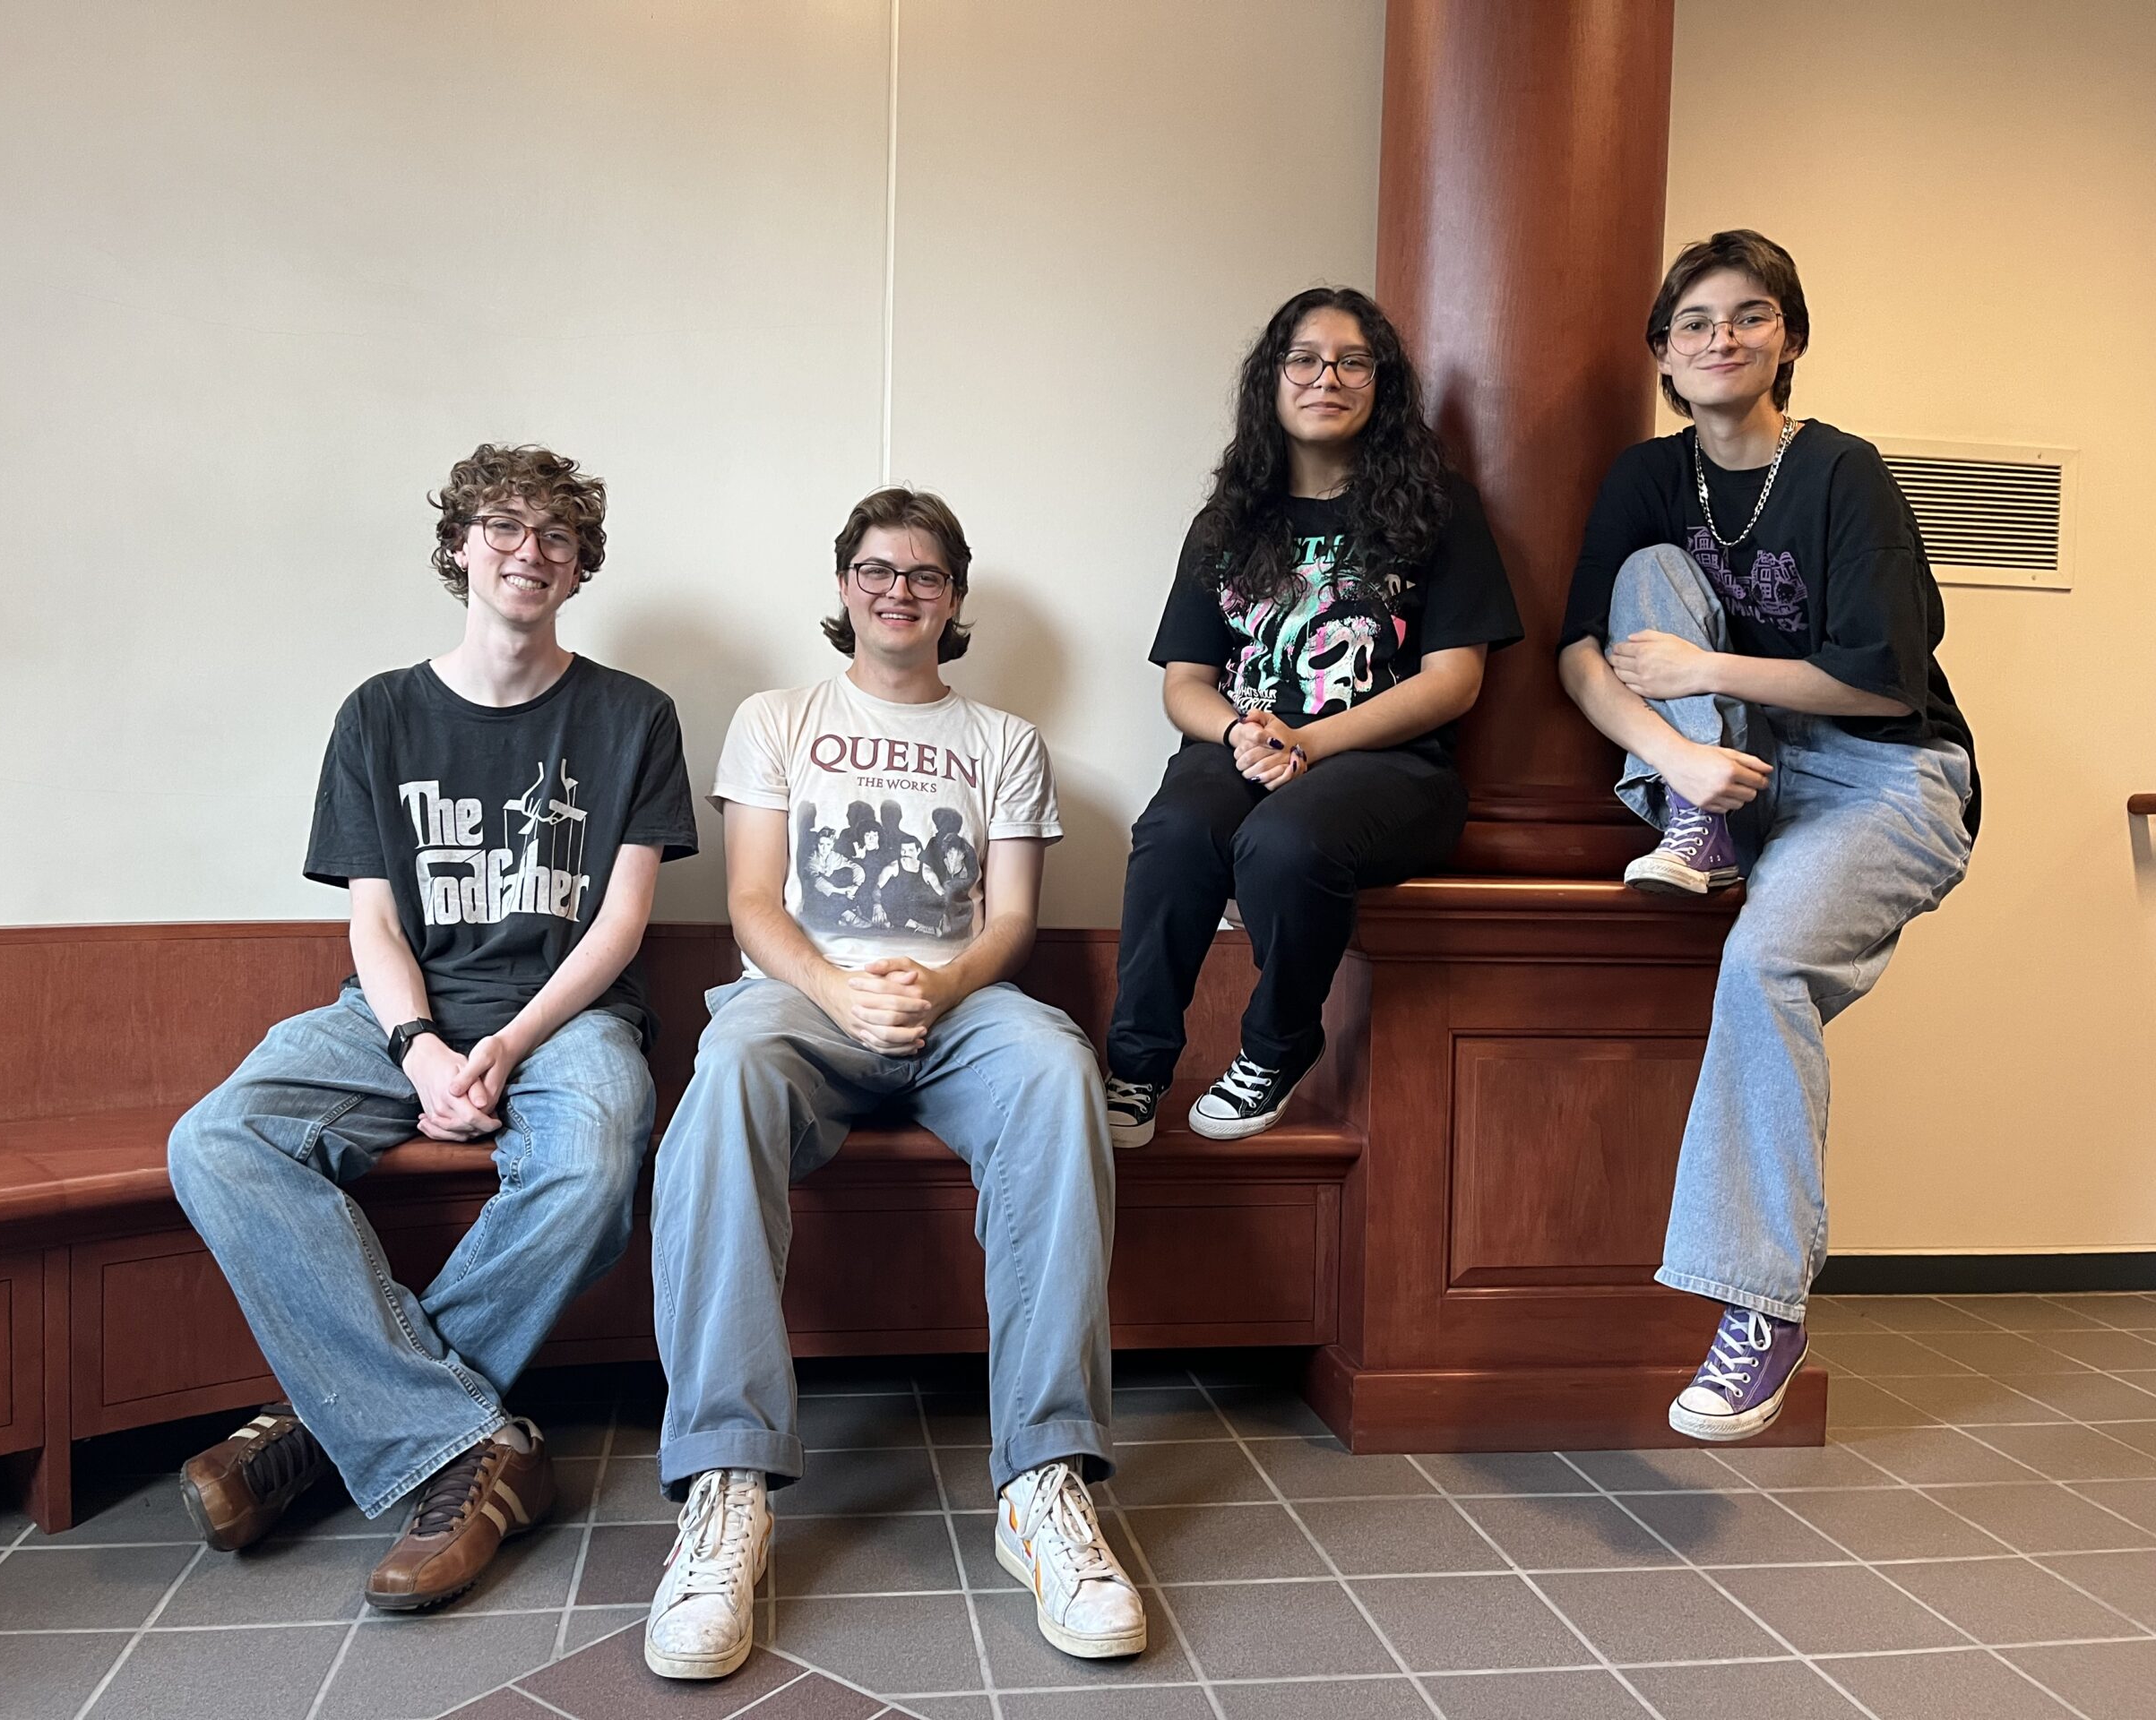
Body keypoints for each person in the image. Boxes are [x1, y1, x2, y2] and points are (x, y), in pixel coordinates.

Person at [166, 444, 697, 1605]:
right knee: (215, 1138)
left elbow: (617, 927)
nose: (530, 551)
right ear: (460, 547)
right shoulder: (378, 715)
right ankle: (472, 1443)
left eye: (556, 535)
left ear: (579, 567)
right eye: (504, 527)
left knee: (599, 1153)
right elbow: (375, 923)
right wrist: (421, 1048)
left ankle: (320, 1428)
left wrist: (506, 1046)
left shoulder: (634, 718)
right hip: (398, 1014)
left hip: (568, 1017)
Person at [642, 487, 1143, 1681]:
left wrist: (938, 984)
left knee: (1061, 1072)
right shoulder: (777, 718)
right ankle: (725, 1491)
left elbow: (1013, 918)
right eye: (877, 570)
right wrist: (839, 988)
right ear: (844, 586)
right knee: (723, 1077)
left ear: (953, 597)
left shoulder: (1003, 741)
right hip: (801, 1002)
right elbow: (754, 904)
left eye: (924, 574)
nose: (898, 590)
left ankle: (1046, 1485)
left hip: (959, 1006)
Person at [1557, 231, 1977, 1440]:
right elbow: (1583, 653)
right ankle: (1697, 820)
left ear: (1789, 337)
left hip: (1882, 779)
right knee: (1643, 571)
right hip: (1732, 768)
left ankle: (1761, 1308)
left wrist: (1711, 668)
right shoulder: (1648, 475)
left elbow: (1885, 685)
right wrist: (1684, 749)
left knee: (1762, 965)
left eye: (1749, 317)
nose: (1721, 338)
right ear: (1664, 354)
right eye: (1695, 323)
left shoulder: (1843, 473)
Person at [1104, 286, 1522, 1145]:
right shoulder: (1225, 523)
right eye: (1304, 358)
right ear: (1272, 380)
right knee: (1175, 833)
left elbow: (1454, 682)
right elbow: (1185, 683)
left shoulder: (1437, 510)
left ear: (1382, 384)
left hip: (1390, 762)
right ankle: (1137, 1066)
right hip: (1246, 744)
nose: (1325, 376)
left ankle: (1277, 1047)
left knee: (1284, 840)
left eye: (1352, 360)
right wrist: (1238, 731)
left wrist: (1310, 740)